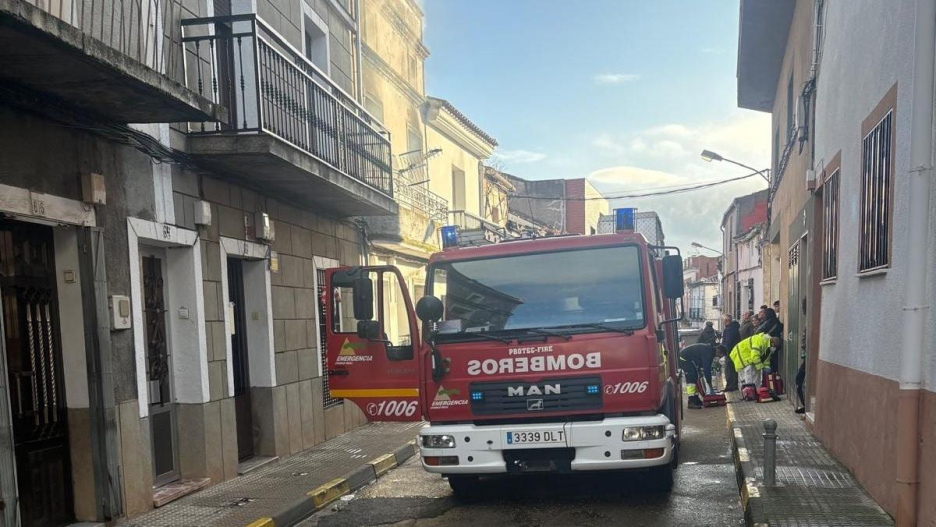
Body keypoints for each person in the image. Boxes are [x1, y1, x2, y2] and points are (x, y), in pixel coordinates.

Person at [679, 342, 723, 409]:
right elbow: (707, 370)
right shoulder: (708, 353)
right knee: (692, 379)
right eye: (720, 355)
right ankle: (691, 401)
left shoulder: (709, 350)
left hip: (688, 359)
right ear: (719, 350)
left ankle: (696, 399)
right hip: (684, 359)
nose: (719, 357)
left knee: (695, 377)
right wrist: (710, 387)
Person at [721, 314, 741, 391]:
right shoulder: (734, 328)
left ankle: (731, 385)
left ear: (726, 321)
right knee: (732, 369)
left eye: (723, 320)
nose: (722, 322)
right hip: (734, 351)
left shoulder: (729, 330)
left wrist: (725, 351)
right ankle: (732, 384)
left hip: (730, 353)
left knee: (729, 369)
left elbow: (728, 342)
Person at [795, 298, 807, 414]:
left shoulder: (810, 321)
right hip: (806, 356)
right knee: (800, 380)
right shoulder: (808, 320)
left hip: (808, 357)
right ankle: (805, 405)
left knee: (799, 379)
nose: (802, 311)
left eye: (803, 307)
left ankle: (806, 405)